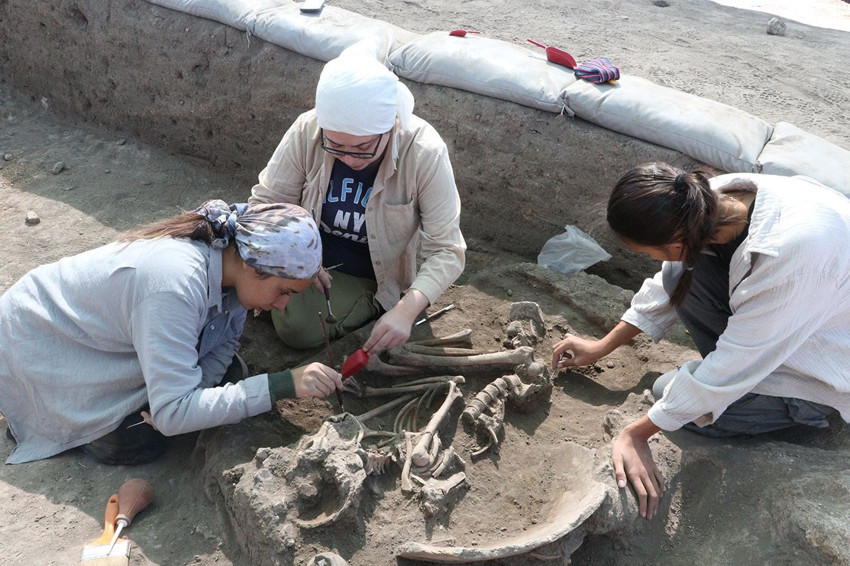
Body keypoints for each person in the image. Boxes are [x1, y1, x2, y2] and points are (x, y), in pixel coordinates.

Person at [551, 163, 850, 520]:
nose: (650, 259)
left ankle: (808, 409)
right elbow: (670, 280)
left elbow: (734, 364)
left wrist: (637, 434)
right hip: (805, 315)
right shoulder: (704, 199)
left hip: (830, 365)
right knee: (683, 277)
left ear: (675, 243)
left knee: (668, 393)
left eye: (647, 252)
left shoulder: (790, 257)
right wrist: (603, 345)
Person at [0, 200, 343, 465]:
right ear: (253, 267)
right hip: (41, 345)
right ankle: (53, 417)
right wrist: (283, 384)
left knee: (229, 376)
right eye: (284, 291)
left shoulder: (233, 269)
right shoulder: (175, 284)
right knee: (139, 439)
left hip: (100, 338)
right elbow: (173, 414)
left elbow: (224, 345)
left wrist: (197, 395)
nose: (282, 306)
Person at [249, 42, 466, 354]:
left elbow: (447, 250)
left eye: (363, 148)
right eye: (336, 146)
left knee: (299, 326)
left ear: (390, 127)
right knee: (227, 268)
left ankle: (366, 304)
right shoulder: (308, 130)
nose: (349, 159)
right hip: (303, 256)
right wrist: (299, 256)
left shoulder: (424, 153)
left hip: (366, 273)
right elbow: (265, 205)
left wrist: (406, 310)